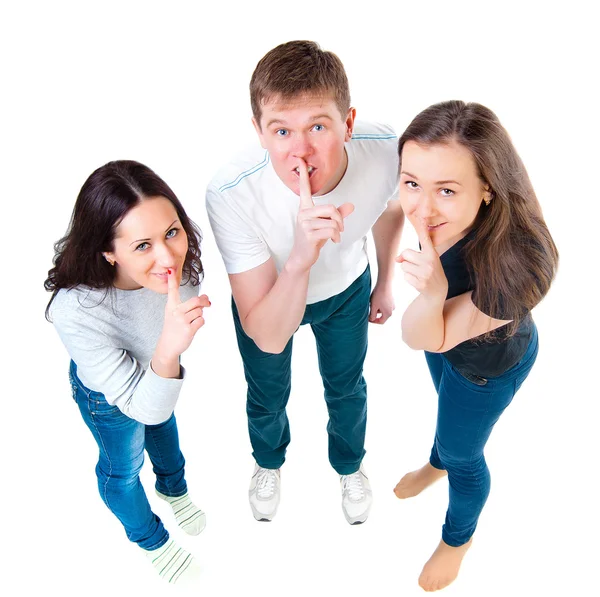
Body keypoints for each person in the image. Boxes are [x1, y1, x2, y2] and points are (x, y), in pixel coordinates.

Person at [205, 40, 404, 524]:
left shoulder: (385, 151)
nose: (300, 151)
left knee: (346, 387)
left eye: (318, 126)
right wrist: (299, 258)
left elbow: (391, 206)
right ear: (258, 131)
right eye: (280, 130)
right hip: (270, 298)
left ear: (348, 124)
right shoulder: (232, 194)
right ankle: (268, 463)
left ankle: (349, 466)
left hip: (347, 292)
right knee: (267, 392)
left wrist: (384, 280)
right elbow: (269, 336)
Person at [392, 101, 559, 591]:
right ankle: (435, 463)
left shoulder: (521, 266)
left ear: (487, 187)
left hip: (487, 369)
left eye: (446, 189)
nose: (422, 208)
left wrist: (433, 292)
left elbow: (421, 335)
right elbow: (390, 206)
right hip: (447, 347)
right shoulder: (430, 205)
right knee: (446, 422)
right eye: (411, 183)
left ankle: (457, 539)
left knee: (465, 454)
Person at [45, 160, 210, 586]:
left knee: (165, 435)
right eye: (142, 246)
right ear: (108, 251)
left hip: (157, 378)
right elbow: (141, 404)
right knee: (123, 469)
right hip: (107, 397)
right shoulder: (75, 310)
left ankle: (173, 489)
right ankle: (151, 538)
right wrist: (169, 348)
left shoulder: (181, 261)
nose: (168, 257)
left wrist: (165, 358)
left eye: (172, 232)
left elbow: (156, 406)